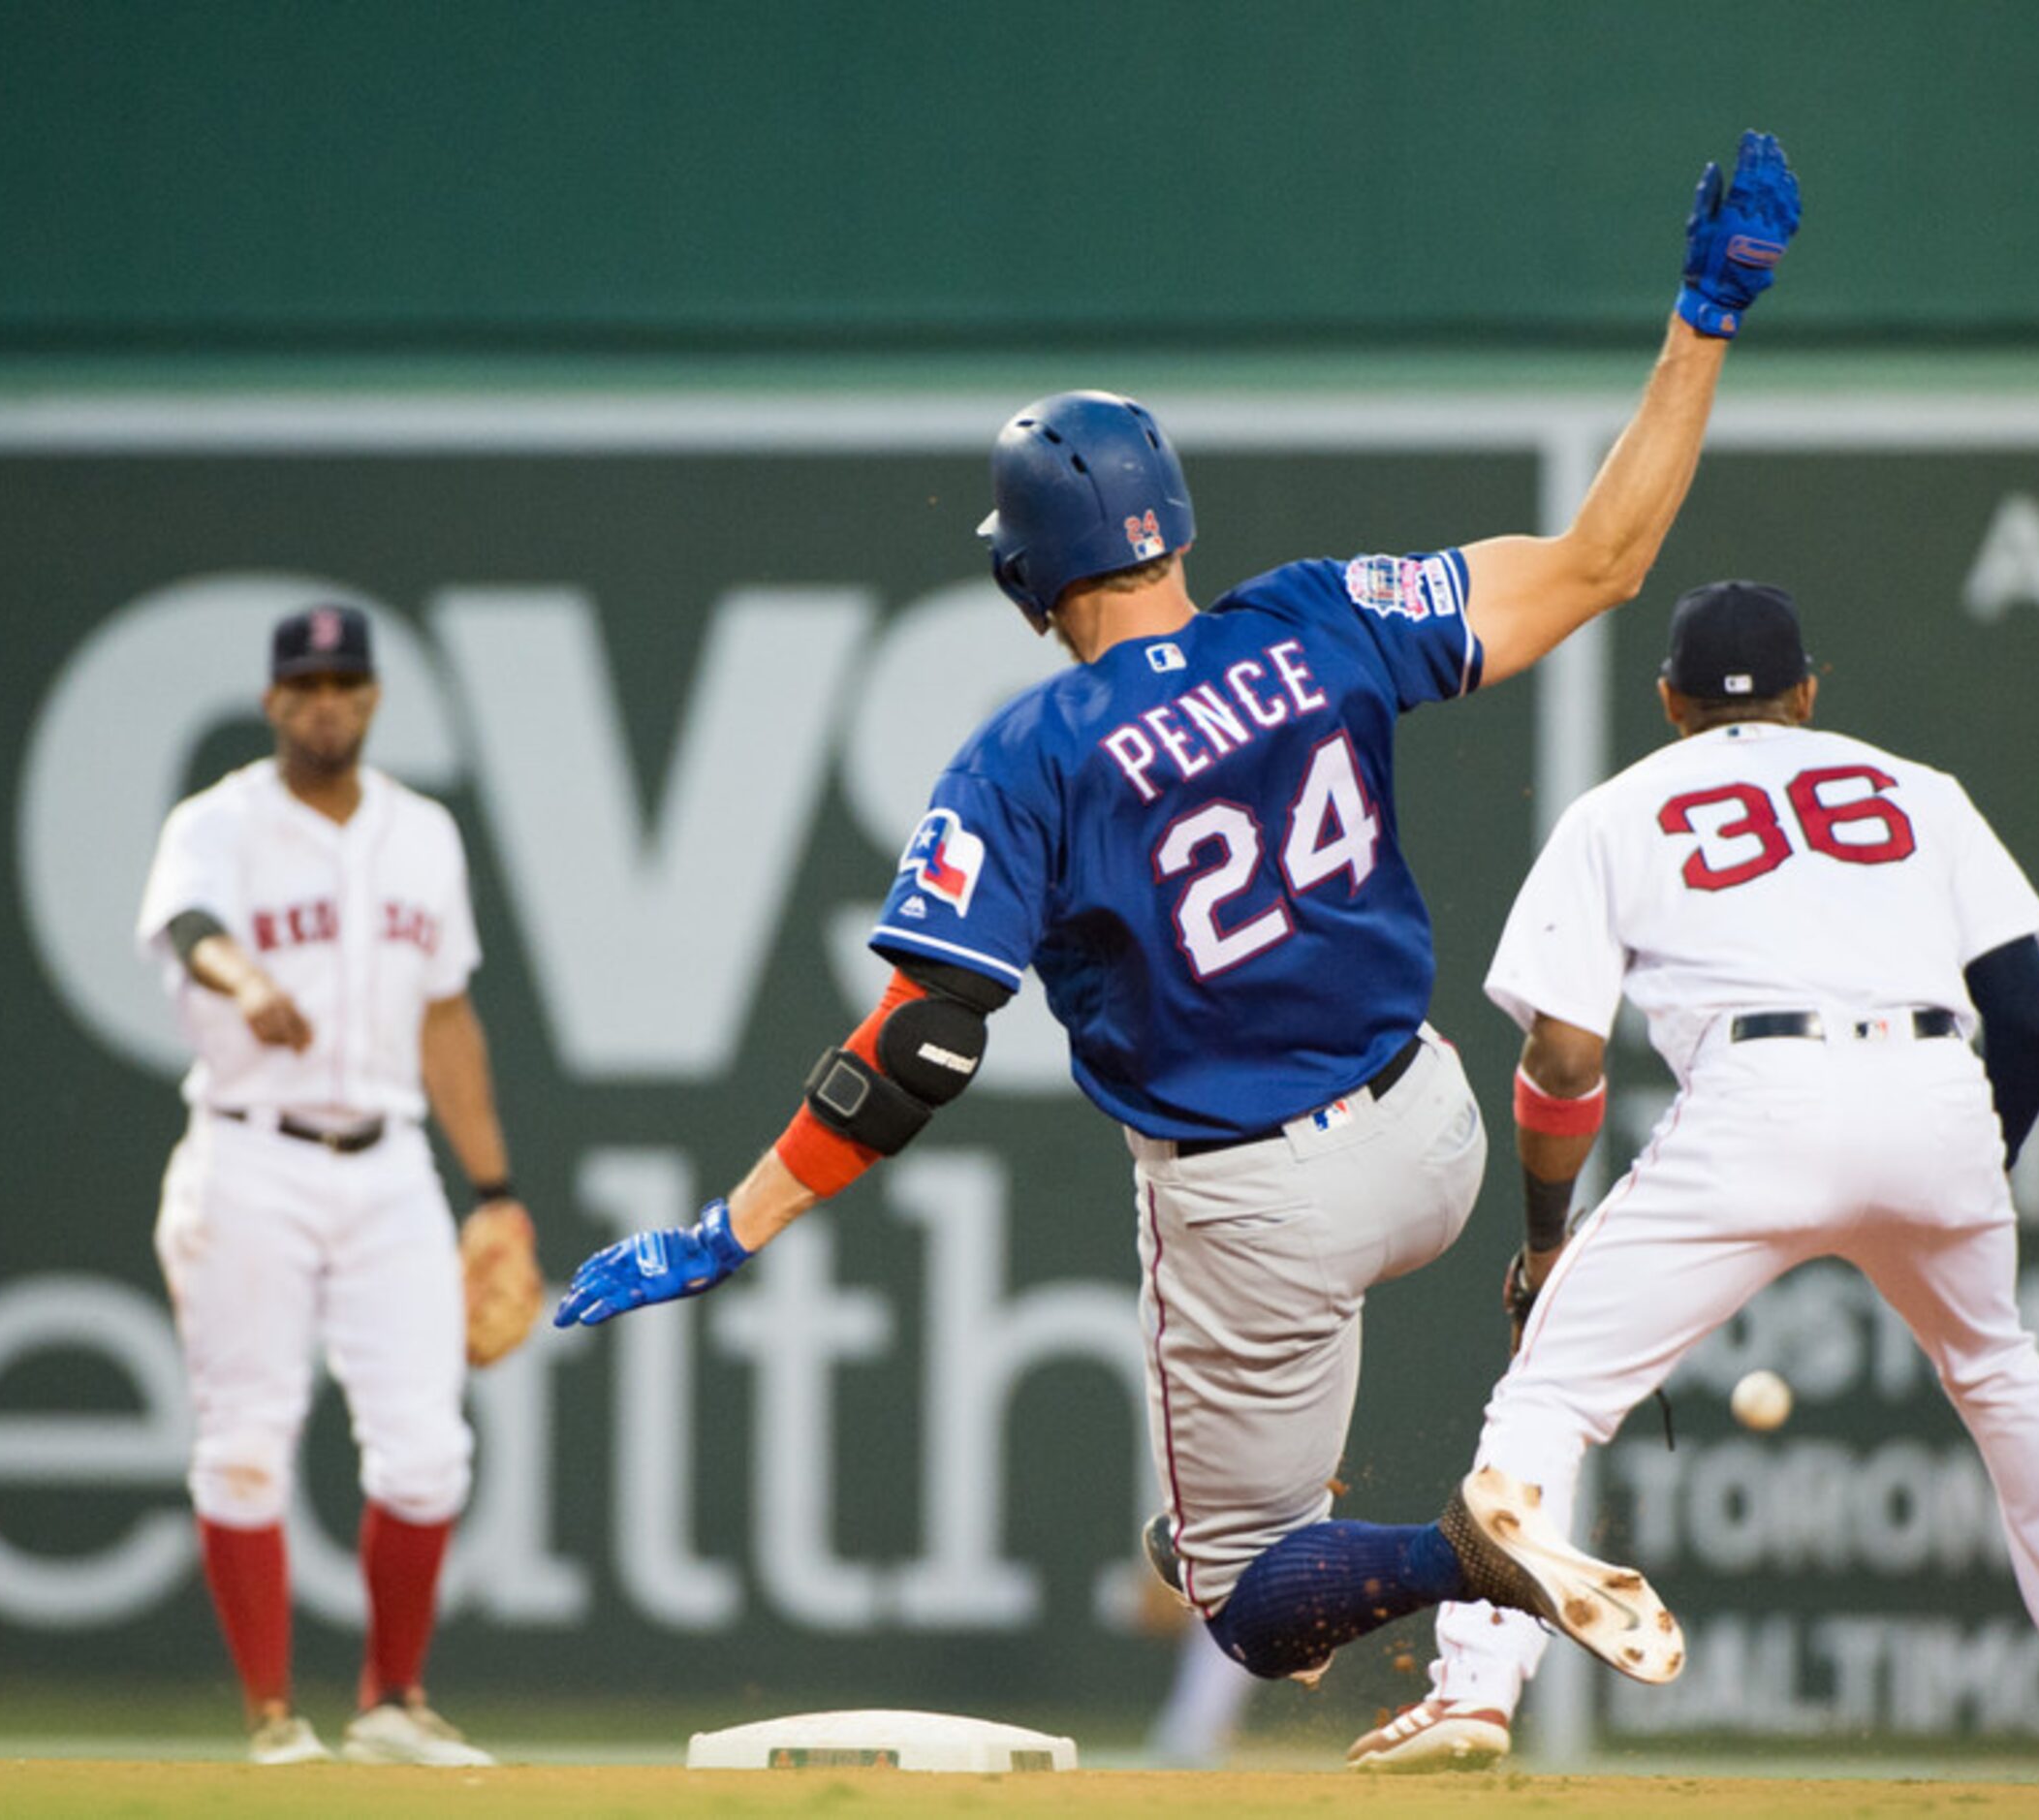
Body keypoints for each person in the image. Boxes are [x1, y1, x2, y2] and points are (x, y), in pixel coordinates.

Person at [558, 135, 1802, 1695]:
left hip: (1255, 1208)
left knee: (1249, 1607)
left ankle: (1459, 1553)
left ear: (1024, 579)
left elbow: (923, 1041)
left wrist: (727, 1225)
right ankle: (1288, 1501)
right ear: (1175, 519)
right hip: (1430, 1136)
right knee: (1244, 1495)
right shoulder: (1321, 614)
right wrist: (1705, 318)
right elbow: (1606, 558)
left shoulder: (1030, 754)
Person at [1349, 581, 2039, 1777]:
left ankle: (1476, 1693)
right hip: (1936, 1083)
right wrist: (1962, 1173)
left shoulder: (1620, 808)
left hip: (1763, 1095)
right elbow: (2030, 1018)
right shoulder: (1920, 791)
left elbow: (1566, 1055)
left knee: (1550, 1395)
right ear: (1808, 691)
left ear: (1668, 701)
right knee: (2003, 1375)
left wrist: (1548, 1243)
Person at [136, 604, 539, 1767]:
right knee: (247, 1440)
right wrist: (241, 978)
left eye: (346, 681)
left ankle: (392, 1704)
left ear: (371, 698)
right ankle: (271, 1719)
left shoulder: (423, 834)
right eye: (306, 683)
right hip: (248, 1150)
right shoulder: (218, 823)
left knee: (426, 1449)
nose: (327, 700)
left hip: (391, 1159)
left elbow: (448, 1014)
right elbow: (188, 923)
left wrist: (496, 1186)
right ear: (272, 702)